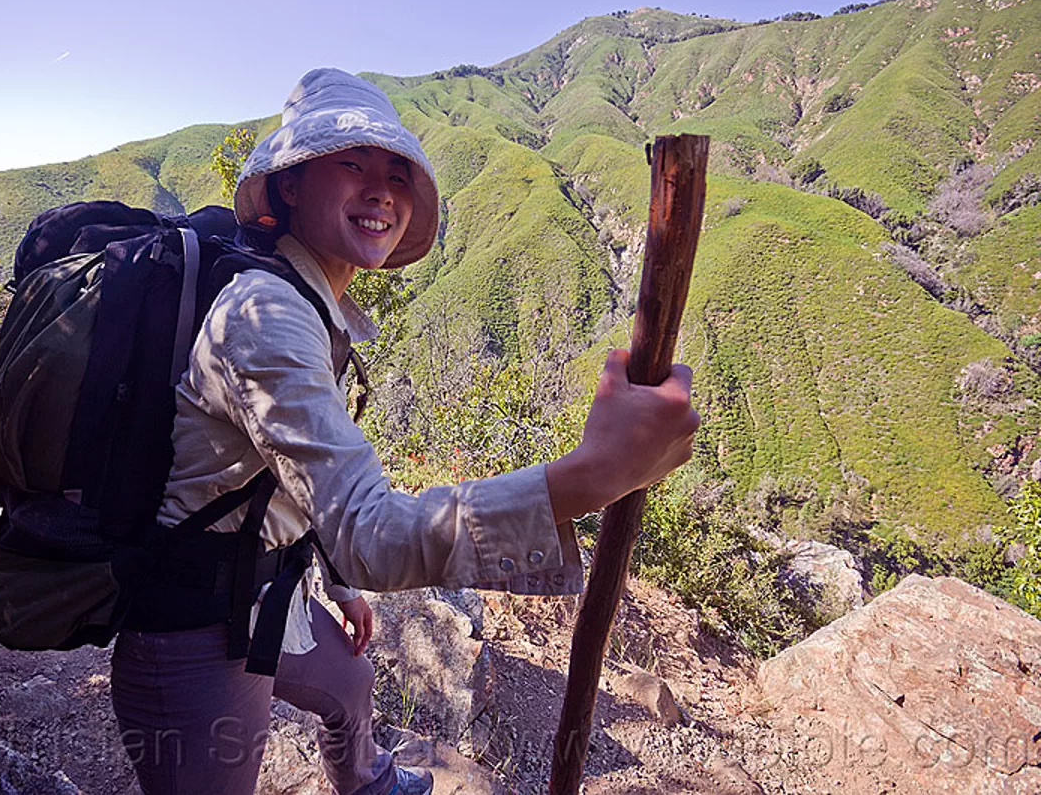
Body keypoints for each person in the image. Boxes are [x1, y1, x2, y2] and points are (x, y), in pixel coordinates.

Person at [109, 68, 700, 795]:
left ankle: (365, 780)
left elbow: (291, 475)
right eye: (351, 163)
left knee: (349, 682)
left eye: (397, 173)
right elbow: (371, 530)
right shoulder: (266, 318)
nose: (382, 190)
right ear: (290, 185)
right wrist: (586, 478)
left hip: (262, 589)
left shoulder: (307, 303)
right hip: (190, 624)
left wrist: (335, 580)